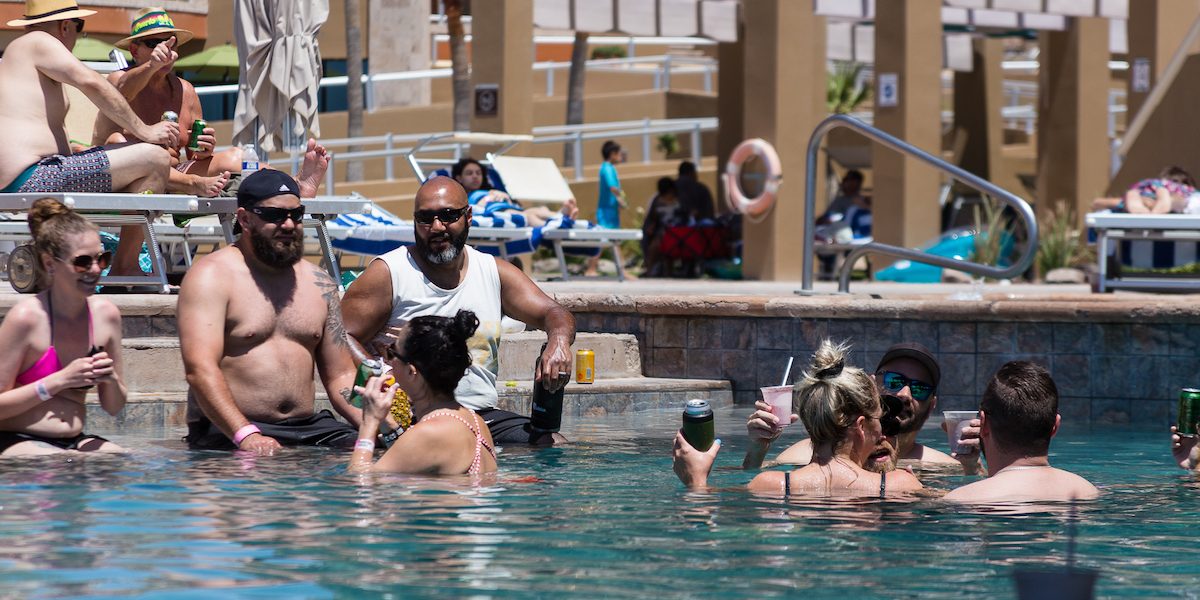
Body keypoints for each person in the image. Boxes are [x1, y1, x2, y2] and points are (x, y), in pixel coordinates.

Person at [341, 176, 577, 446]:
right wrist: (380, 375)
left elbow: (553, 312)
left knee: (552, 442)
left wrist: (559, 341)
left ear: (469, 216)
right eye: (425, 218)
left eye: (448, 215)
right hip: (411, 417)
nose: (436, 227)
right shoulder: (390, 273)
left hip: (478, 416)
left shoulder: (492, 271)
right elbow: (339, 334)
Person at [178, 169, 360, 454]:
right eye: (274, 215)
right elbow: (200, 370)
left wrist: (382, 428)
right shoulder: (211, 277)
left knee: (379, 451)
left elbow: (341, 375)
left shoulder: (319, 282)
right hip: (228, 428)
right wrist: (246, 435)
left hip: (307, 427)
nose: (288, 224)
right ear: (245, 219)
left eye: (296, 215)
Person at [0, 0, 180, 277]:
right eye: (79, 26)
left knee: (137, 167)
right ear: (65, 26)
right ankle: (126, 267)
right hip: (38, 177)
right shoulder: (40, 41)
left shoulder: (20, 55)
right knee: (155, 158)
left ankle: (118, 262)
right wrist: (145, 130)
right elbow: (92, 82)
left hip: (34, 175)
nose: (78, 35)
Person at [672, 340, 923, 497]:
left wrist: (696, 481)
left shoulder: (771, 484)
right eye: (879, 420)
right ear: (860, 426)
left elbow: (707, 513)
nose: (882, 433)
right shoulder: (898, 484)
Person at [0, 198, 126, 455]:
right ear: (50, 264)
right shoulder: (26, 318)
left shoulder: (106, 316)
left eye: (102, 259)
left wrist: (110, 379)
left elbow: (113, 408)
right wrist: (59, 381)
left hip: (73, 439)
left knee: (120, 459)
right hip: (13, 438)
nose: (95, 270)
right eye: (83, 262)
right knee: (56, 461)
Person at [91, 7, 230, 199]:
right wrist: (152, 65)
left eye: (171, 43)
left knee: (235, 158)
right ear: (134, 50)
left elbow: (194, 156)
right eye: (154, 43)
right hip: (128, 178)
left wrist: (204, 151)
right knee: (117, 141)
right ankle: (190, 184)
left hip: (175, 174)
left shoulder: (186, 90)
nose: (165, 50)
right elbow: (122, 92)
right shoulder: (119, 80)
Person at [769, 342, 963, 470]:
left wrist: (972, 467)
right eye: (894, 381)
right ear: (871, 386)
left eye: (920, 388)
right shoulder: (811, 453)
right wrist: (758, 447)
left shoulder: (947, 467)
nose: (904, 394)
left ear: (931, 406)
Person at [349, 310, 497, 475]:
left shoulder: (430, 433)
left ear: (411, 372)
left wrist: (369, 423)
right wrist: (387, 423)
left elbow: (360, 479)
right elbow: (417, 463)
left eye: (392, 352)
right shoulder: (476, 422)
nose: (387, 361)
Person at [943, 361, 1099, 503]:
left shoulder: (963, 499)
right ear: (1055, 426)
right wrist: (973, 469)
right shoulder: (1088, 492)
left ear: (983, 424)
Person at [450, 157, 577, 227]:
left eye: (478, 173)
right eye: (469, 173)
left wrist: (501, 195)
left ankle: (559, 216)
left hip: (508, 208)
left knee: (537, 210)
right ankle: (552, 226)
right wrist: (488, 199)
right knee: (528, 216)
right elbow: (476, 209)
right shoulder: (461, 197)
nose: (475, 176)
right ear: (459, 178)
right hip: (497, 212)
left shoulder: (490, 190)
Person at [1092, 165, 1197, 214]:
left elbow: (1097, 203)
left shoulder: (1151, 185)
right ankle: (1163, 199)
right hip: (1169, 199)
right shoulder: (1187, 192)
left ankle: (1147, 203)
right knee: (1176, 200)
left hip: (1146, 195)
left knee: (1133, 194)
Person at [641, 176, 684, 277]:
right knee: (656, 241)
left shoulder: (679, 201)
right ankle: (650, 269)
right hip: (661, 231)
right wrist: (651, 226)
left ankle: (656, 269)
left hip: (677, 231)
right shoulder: (657, 201)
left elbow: (684, 216)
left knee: (659, 242)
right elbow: (652, 218)